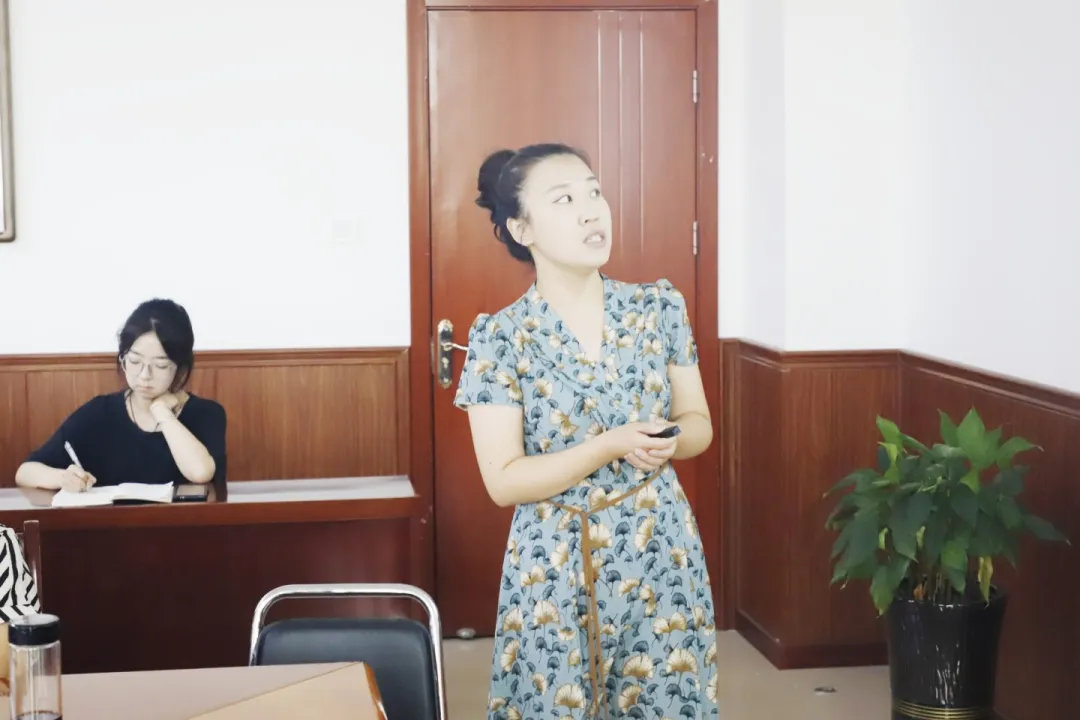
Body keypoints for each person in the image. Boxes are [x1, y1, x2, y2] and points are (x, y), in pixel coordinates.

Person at [455, 143, 718, 719]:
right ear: (521, 228)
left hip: (660, 551)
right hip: (552, 562)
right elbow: (504, 481)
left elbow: (699, 425)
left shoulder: (659, 307)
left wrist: (666, 439)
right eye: (565, 200)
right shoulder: (500, 338)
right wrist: (608, 445)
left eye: (594, 193)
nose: (591, 211)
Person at [15, 299, 226, 493]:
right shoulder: (100, 413)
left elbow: (200, 473)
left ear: (180, 367)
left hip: (180, 524)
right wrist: (62, 478)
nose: (144, 375)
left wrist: (163, 414)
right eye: (134, 361)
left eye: (160, 365)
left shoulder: (207, 414)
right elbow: (25, 472)